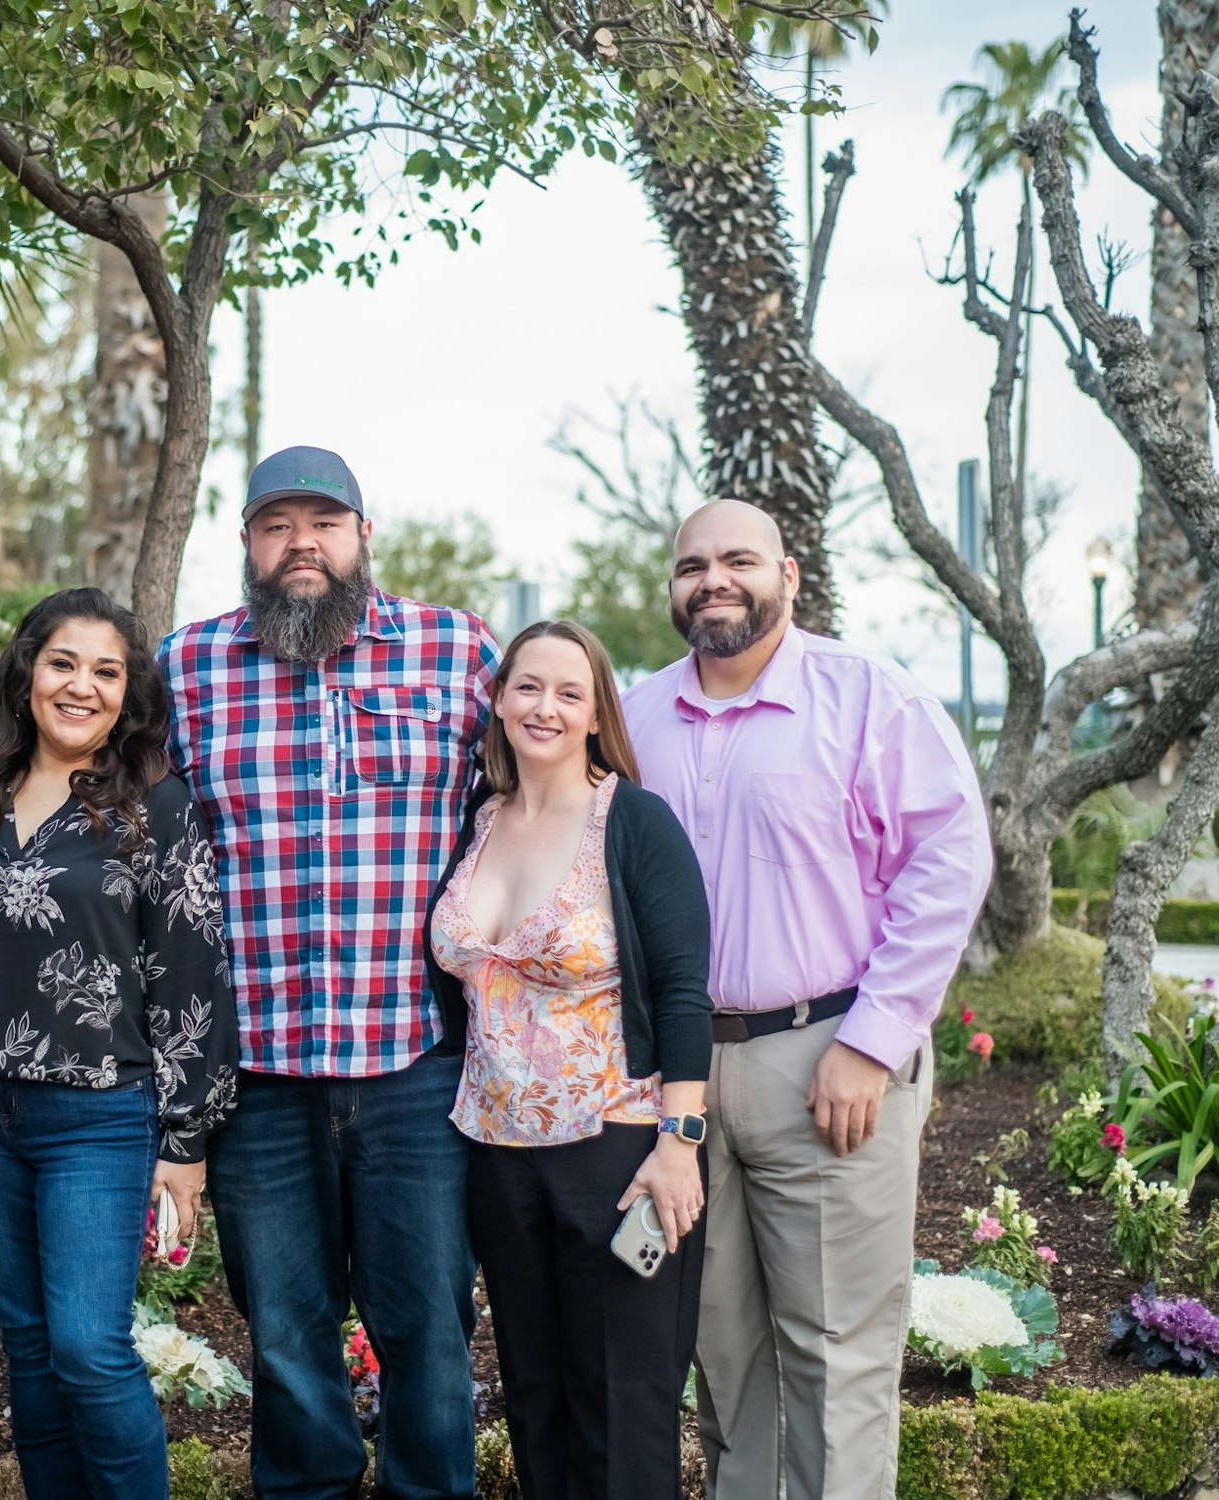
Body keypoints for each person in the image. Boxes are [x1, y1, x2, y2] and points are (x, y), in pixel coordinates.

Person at [620, 498, 992, 1500]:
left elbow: (948, 861)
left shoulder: (866, 697)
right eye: (691, 565)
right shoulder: (636, 714)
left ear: (787, 573)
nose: (713, 580)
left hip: (824, 1056)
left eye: (737, 560)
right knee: (723, 1356)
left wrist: (872, 1042)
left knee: (835, 1351)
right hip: (679, 1082)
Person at [158, 445, 500, 1500]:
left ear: (362, 537)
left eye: (323, 520)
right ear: (249, 546)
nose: (299, 542)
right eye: (274, 524)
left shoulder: (457, 652)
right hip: (257, 1078)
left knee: (431, 1335)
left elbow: (538, 804)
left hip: (412, 1066)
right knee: (286, 1343)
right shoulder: (188, 667)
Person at [0, 587, 239, 1500]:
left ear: (130, 692)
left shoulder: (156, 802)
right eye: (63, 663)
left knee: (87, 1347)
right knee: (29, 1350)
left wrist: (184, 1143)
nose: (81, 686)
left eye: (106, 671)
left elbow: (191, 971)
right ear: (28, 671)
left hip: (98, 1115)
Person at [424, 620, 711, 1500]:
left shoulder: (632, 820)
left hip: (617, 1151)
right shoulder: (476, 822)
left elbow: (682, 990)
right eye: (528, 687)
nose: (545, 706)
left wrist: (680, 1143)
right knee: (536, 1392)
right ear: (500, 700)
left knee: (623, 1396)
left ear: (596, 713)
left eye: (569, 691)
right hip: (498, 1156)